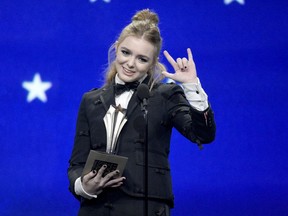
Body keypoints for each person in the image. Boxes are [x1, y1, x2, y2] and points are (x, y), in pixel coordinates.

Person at [68, 8, 216, 216]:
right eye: (126, 53)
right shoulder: (91, 100)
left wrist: (191, 85)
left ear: (152, 64)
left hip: (144, 207)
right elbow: (77, 164)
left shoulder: (165, 95)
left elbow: (202, 135)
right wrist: (83, 187)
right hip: (96, 208)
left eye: (142, 59)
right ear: (116, 48)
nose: (130, 64)